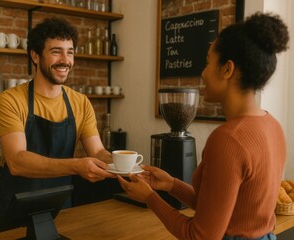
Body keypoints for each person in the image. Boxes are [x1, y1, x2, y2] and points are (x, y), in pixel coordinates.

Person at [118, 12, 289, 240]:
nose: (203, 72)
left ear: (227, 69)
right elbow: (219, 208)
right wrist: (171, 184)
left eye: (208, 62)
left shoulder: (228, 139)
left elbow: (200, 235)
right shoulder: (273, 126)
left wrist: (150, 198)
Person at [0, 17, 115, 224]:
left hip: (59, 208)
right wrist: (77, 166)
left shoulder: (80, 102)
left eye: (70, 52)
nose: (65, 60)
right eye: (56, 51)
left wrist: (121, 164)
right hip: (14, 210)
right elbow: (16, 162)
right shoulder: (10, 100)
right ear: (35, 56)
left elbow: (97, 152)